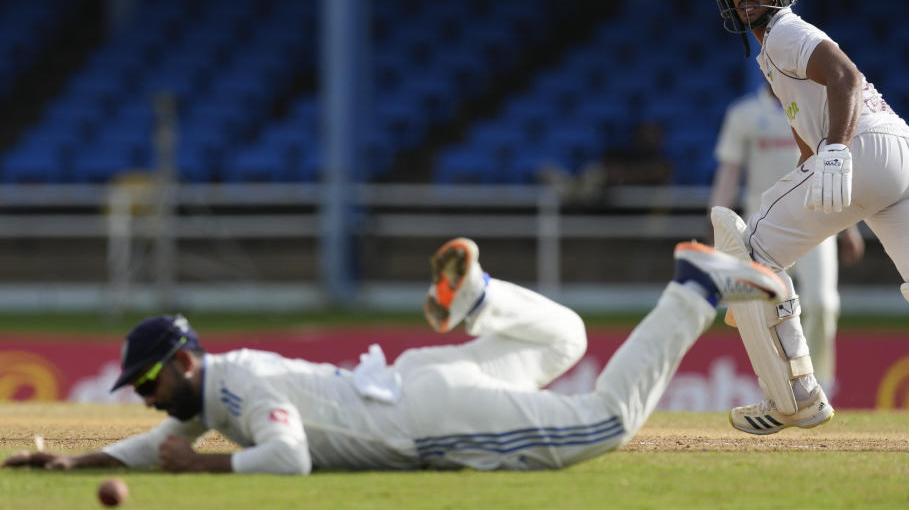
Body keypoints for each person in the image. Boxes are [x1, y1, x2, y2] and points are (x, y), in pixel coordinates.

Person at [3, 237, 785, 474]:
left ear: (178, 364)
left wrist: (199, 468)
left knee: (602, 422)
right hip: (409, 381)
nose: (141, 398)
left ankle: (695, 288)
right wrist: (79, 464)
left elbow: (289, 458)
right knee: (565, 340)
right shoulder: (215, 391)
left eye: (144, 382)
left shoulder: (238, 390)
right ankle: (474, 298)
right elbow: (162, 441)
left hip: (423, 417)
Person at [711, 0, 909, 435]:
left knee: (748, 258)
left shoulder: (783, 33)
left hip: (865, 151)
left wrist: (837, 151)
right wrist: (820, 168)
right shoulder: (771, 54)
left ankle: (796, 398)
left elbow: (844, 77)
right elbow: (808, 144)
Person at [709, 81, 865, 394]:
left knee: (822, 303)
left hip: (816, 222)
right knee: (757, 310)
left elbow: (830, 168)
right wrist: (718, 229)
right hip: (764, 227)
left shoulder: (813, 109)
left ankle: (821, 383)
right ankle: (780, 383)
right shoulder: (744, 114)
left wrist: (850, 227)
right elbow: (729, 173)